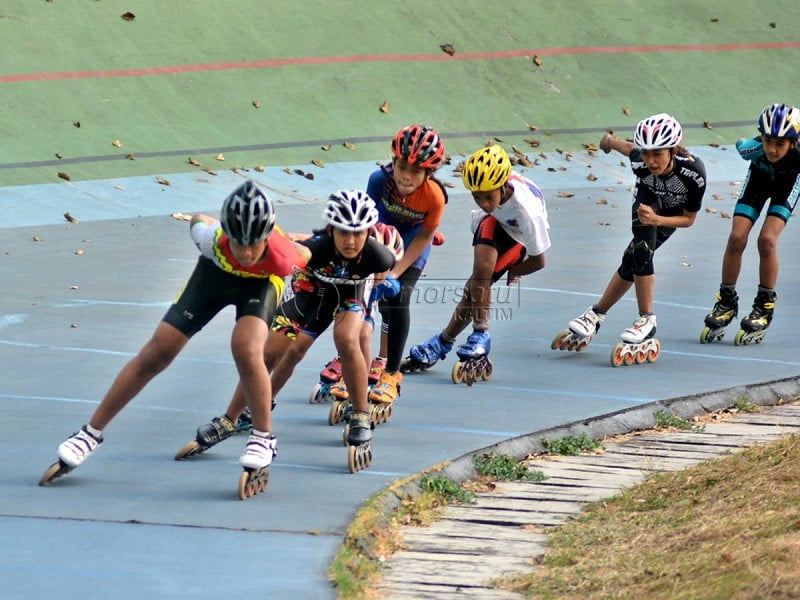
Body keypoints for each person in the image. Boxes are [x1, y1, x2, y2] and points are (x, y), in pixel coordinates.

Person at [40, 181, 309, 491]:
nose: (247, 253)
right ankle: (90, 433)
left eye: (254, 244)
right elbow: (198, 219)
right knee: (158, 351)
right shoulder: (210, 239)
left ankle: (263, 438)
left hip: (260, 285)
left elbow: (307, 252)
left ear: (266, 237)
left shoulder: (285, 256)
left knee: (247, 348)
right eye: (239, 243)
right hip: (214, 276)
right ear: (227, 234)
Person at [556, 113, 706, 359]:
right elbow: (630, 149)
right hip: (647, 201)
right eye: (647, 154)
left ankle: (600, 314)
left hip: (670, 214)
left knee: (633, 257)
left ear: (673, 149)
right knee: (641, 250)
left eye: (657, 154)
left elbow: (689, 220)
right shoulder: (641, 162)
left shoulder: (693, 173)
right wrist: (609, 141)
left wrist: (658, 220)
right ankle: (642, 318)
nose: (651, 161)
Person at [264, 190, 396, 469]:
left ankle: (360, 414)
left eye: (358, 233)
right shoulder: (316, 248)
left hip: (350, 293)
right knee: (293, 349)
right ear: (331, 230)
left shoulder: (379, 256)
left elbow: (385, 276)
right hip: (315, 291)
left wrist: (388, 282)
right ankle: (260, 404)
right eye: (343, 233)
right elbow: (286, 256)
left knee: (349, 338)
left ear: (368, 233)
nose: (350, 241)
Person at [319, 125, 448, 406]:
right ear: (394, 162)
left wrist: (394, 272)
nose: (406, 175)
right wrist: (374, 269)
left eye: (416, 171)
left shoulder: (435, 197)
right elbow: (367, 225)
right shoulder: (378, 180)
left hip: (413, 240)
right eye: (402, 166)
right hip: (379, 236)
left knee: (397, 296)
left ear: (429, 173)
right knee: (357, 289)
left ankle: (390, 371)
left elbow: (424, 236)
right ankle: (349, 355)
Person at [406, 144, 550, 378]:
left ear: (503, 187)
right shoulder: (489, 202)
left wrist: (516, 271)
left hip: (518, 236)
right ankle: (469, 334)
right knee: (478, 277)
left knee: (473, 288)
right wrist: (490, 206)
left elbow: (539, 260)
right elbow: (488, 209)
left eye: (488, 196)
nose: (482, 202)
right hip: (497, 220)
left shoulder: (528, 213)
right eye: (476, 196)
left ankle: (449, 339)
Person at [702, 103, 800, 345]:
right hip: (758, 182)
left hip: (786, 187)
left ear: (794, 143)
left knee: (766, 240)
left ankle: (764, 305)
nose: (772, 150)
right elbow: (740, 144)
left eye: (780, 144)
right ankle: (726, 301)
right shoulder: (751, 149)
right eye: (767, 141)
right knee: (737, 238)